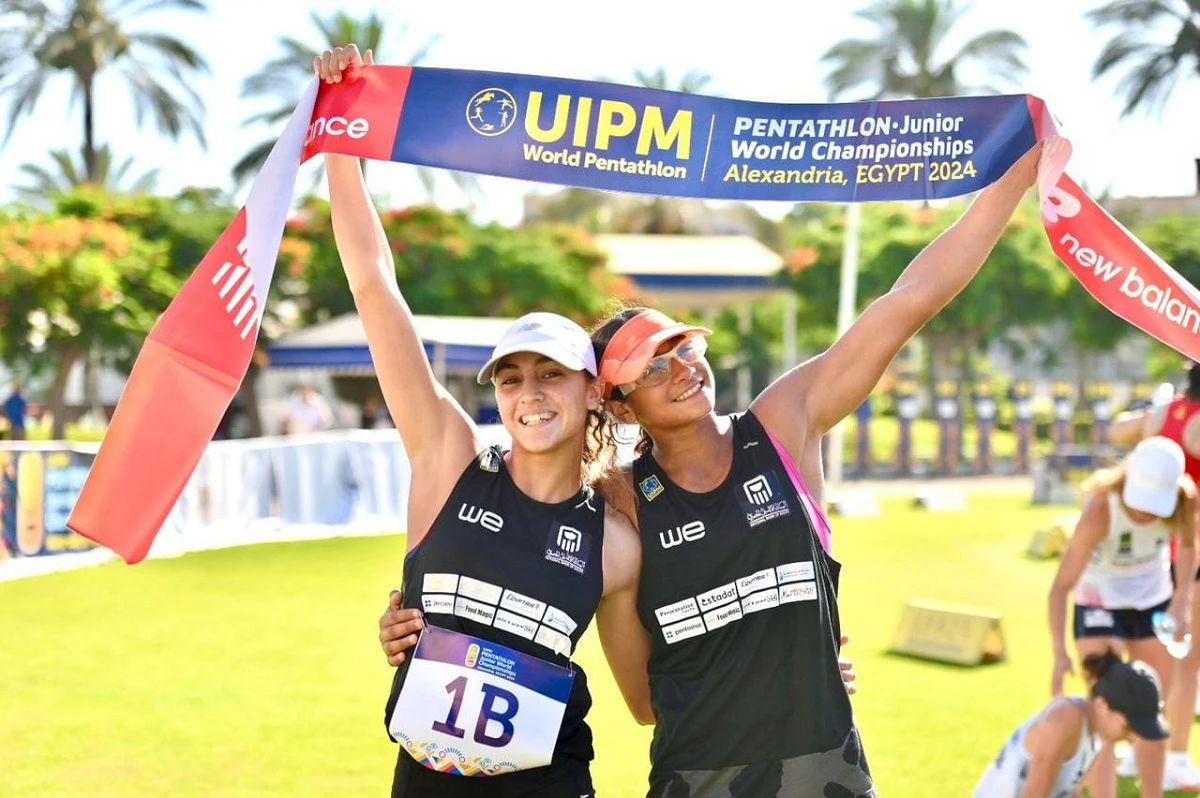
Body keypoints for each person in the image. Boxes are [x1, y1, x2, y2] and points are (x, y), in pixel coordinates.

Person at [382, 134, 1045, 794]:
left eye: (683, 347)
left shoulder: (784, 426)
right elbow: (632, 690)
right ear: (622, 406)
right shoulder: (621, 501)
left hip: (824, 772)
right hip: (691, 780)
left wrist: (1018, 172)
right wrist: (418, 625)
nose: (684, 370)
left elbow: (909, 300)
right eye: (655, 367)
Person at [318, 44, 643, 798]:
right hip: (424, 777)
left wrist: (802, 660)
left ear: (593, 390)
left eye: (551, 374)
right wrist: (339, 133)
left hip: (550, 781)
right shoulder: (449, 457)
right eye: (512, 377)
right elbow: (372, 284)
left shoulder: (616, 541)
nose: (529, 393)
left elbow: (651, 699)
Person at [1047, 436, 1197, 797]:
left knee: (1150, 709)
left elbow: (1190, 549)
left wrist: (1181, 602)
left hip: (1151, 603)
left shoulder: (1183, 503)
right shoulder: (1100, 508)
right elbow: (1061, 586)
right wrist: (1059, 653)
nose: (1146, 513)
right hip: (1099, 604)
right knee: (1106, 712)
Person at [1109, 363, 1200, 788]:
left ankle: (1134, 746)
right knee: (1185, 660)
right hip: (1189, 550)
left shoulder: (1167, 410)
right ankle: (1177, 757)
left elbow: (1117, 431)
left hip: (1159, 550)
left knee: (1149, 654)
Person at [973, 649, 1170, 797]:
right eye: (1129, 727)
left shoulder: (1096, 736)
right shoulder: (1065, 721)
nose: (1133, 738)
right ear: (1102, 705)